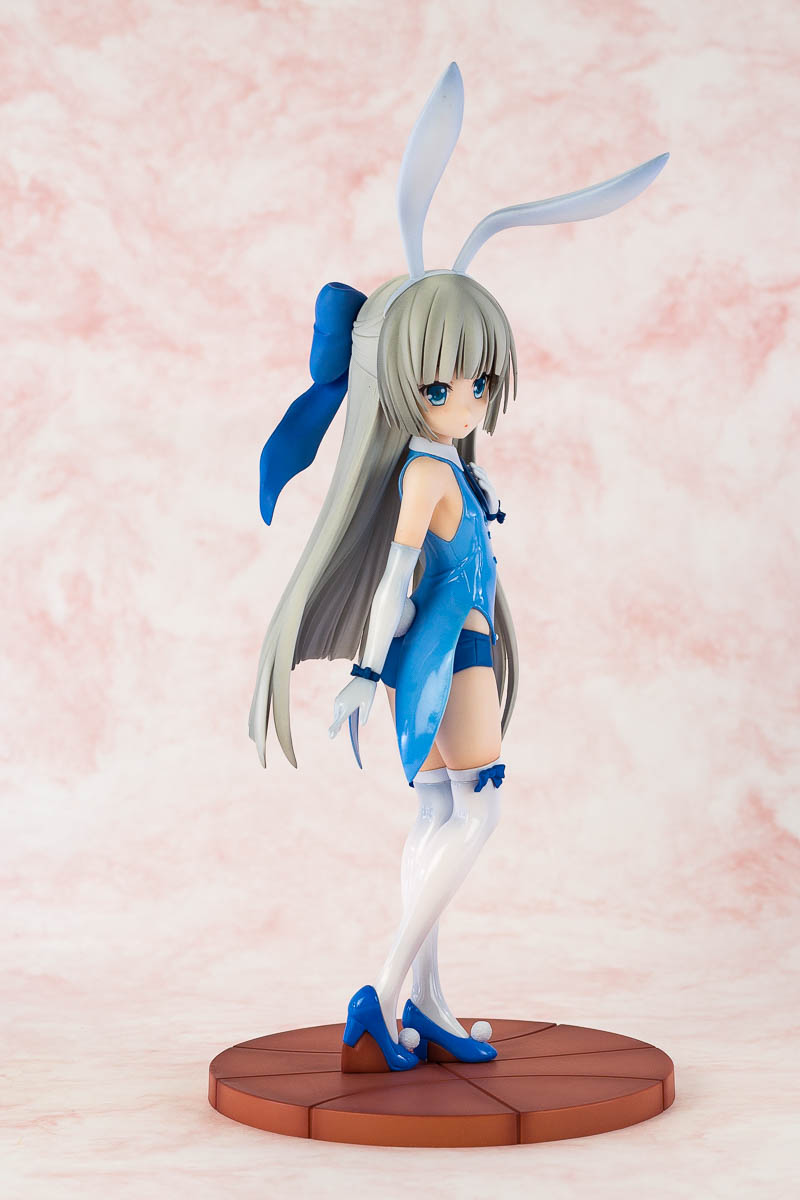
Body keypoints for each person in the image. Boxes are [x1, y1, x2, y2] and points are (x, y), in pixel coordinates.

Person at [249, 63, 668, 1071]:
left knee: (439, 809)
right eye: (444, 385)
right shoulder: (430, 476)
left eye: (478, 379)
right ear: (403, 385)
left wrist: (371, 672)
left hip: (430, 658)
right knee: (478, 812)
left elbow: (403, 581)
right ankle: (385, 986)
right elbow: (397, 582)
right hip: (453, 654)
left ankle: (427, 1003)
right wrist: (361, 671)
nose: (469, 398)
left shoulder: (438, 468)